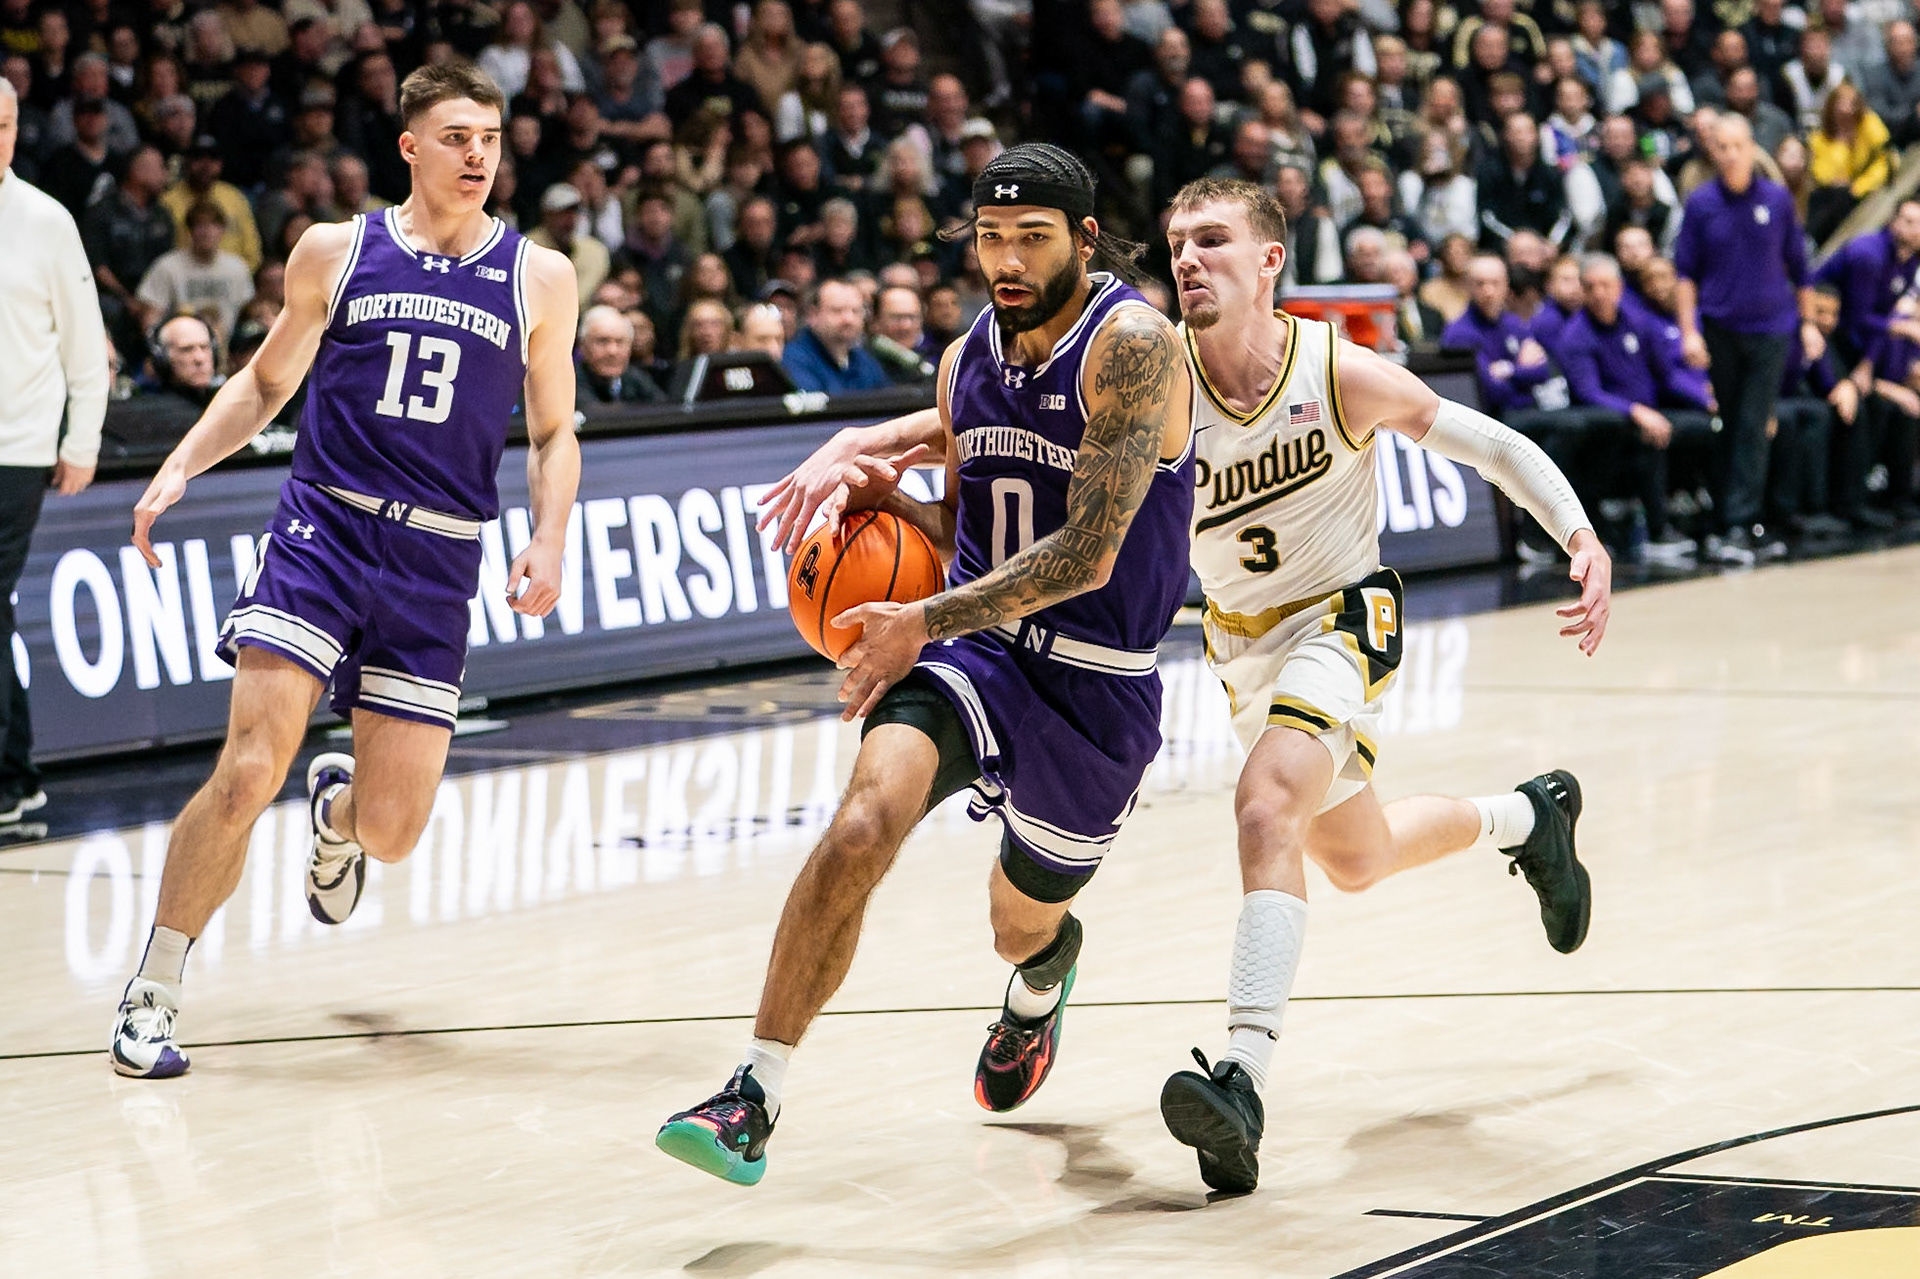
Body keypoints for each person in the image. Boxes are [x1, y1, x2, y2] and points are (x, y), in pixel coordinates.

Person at [755, 176, 1608, 1196]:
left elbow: (1487, 442)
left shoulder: (1334, 371)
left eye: (1213, 240)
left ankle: (1241, 1077)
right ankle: (1528, 817)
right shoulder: (1153, 373)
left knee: (1263, 809)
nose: (1189, 260)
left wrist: (1579, 534)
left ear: (1270, 262)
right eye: (1176, 244)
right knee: (1355, 855)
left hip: (1343, 615)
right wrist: (867, 440)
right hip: (1242, 644)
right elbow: (968, 425)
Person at [657, 143, 1195, 1187]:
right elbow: (977, 515)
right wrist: (891, 511)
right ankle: (750, 1092)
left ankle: (1042, 978)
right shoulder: (967, 359)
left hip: (1096, 681)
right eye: (991, 237)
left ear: (1084, 240)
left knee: (1017, 923)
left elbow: (1086, 552)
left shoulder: (1133, 344)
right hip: (975, 652)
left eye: (1032, 238)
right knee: (864, 819)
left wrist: (920, 613)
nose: (1006, 258)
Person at [108, 61, 581, 1079]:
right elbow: (267, 378)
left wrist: (550, 536)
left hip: (438, 561)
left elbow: (551, 432)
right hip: (324, 532)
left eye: (490, 138)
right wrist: (182, 463)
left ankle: (339, 815)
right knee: (244, 772)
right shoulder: (338, 249)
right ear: (409, 146)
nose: (477, 156)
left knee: (395, 832)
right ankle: (153, 987)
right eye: (456, 137)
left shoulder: (539, 274)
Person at [0, 76, 107, 824]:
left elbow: (84, 346)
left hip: (18, 446)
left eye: (3, 123)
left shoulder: (46, 220)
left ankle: (10, 777)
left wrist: (82, 439)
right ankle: (17, 772)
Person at [1672, 115, 1805, 566]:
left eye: (1737, 146)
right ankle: (1728, 521)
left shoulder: (1777, 200)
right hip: (1720, 329)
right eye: (1722, 147)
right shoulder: (1701, 204)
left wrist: (1806, 324)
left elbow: (1799, 267)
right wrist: (1689, 331)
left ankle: (1739, 525)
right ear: (1713, 152)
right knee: (1729, 424)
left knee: (1753, 423)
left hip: (1770, 330)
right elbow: (1685, 274)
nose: (1729, 154)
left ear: (1752, 148)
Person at [779, 276, 889, 392]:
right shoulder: (794, 359)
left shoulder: (865, 361)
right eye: (837, 310)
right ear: (813, 315)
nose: (848, 319)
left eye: (855, 311)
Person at [575, 303, 663, 405]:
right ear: (582, 346)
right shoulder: (569, 384)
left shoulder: (637, 378)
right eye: (602, 341)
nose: (612, 351)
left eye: (620, 342)